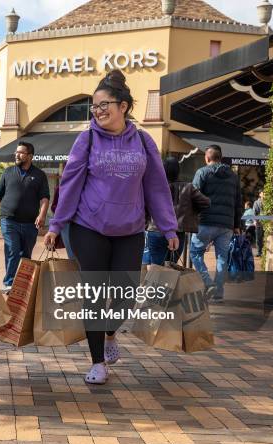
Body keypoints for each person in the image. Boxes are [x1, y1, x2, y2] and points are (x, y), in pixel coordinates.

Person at [44, 70, 178, 385]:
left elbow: (157, 187)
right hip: (88, 227)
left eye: (105, 105)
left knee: (126, 294)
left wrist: (169, 228)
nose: (99, 111)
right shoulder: (86, 139)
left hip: (130, 229)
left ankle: (109, 332)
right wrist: (56, 224)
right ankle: (97, 362)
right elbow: (70, 184)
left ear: (124, 107)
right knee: (94, 294)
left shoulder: (144, 141)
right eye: (95, 106)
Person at [0, 141, 50, 290]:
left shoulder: (39, 175)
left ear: (30, 156)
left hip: (30, 223)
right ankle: (9, 284)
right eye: (16, 152)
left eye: (21, 153)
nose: (17, 155)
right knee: (13, 250)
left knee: (25, 255)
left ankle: (22, 285)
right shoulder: (8, 172)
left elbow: (45, 198)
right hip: (8, 220)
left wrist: (42, 215)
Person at [190, 144, 242, 303]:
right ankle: (218, 293)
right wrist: (236, 224)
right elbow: (238, 201)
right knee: (222, 258)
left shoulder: (202, 172)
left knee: (195, 253)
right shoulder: (233, 176)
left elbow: (193, 197)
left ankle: (208, 282)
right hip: (226, 224)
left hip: (205, 222)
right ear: (221, 157)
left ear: (207, 158)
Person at [145, 157, 210, 267]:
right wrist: (191, 211)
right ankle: (166, 284)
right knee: (171, 267)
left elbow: (145, 206)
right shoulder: (188, 187)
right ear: (178, 171)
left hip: (155, 229)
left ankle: (157, 284)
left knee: (156, 267)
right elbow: (206, 203)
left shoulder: (154, 186)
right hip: (178, 231)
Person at [253, 191, 264, 257]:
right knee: (258, 238)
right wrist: (255, 221)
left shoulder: (269, 202)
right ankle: (259, 251)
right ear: (260, 194)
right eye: (263, 192)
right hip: (259, 223)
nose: (264, 194)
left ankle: (264, 251)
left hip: (267, 223)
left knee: (265, 237)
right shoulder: (256, 202)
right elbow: (254, 212)